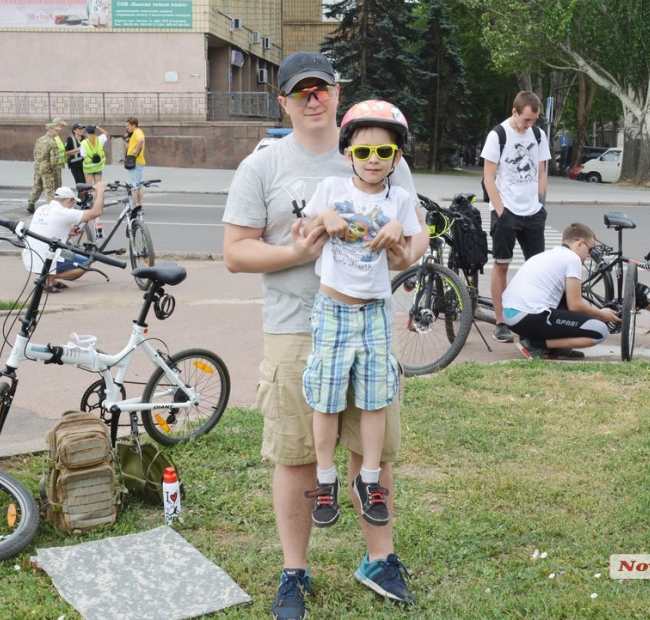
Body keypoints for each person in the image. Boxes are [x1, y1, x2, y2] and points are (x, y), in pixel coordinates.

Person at [222, 51, 428, 620]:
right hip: (294, 330)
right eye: (300, 91)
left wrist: (396, 248)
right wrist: (297, 249)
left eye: (322, 89)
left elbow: (414, 245)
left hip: (369, 323)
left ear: (337, 95)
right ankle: (295, 572)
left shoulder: (383, 152)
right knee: (294, 456)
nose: (313, 98)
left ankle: (378, 559)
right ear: (283, 101)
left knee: (374, 447)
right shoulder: (262, 166)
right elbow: (235, 253)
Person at [300, 100, 421, 533]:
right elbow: (302, 231)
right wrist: (325, 217)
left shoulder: (401, 199)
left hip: (374, 314)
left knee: (375, 399)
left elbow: (407, 254)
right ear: (348, 152)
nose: (373, 161)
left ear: (397, 157)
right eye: (364, 152)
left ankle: (369, 480)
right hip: (333, 309)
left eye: (384, 153)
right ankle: (326, 478)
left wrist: (396, 237)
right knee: (327, 397)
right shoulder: (332, 190)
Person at [481, 90, 552, 344]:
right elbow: (488, 178)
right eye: (526, 120)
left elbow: (542, 170)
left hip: (533, 213)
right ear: (514, 112)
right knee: (502, 265)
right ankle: (501, 322)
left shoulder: (538, 135)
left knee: (537, 269)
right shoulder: (497, 135)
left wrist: (541, 204)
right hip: (506, 211)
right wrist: (501, 212)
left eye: (533, 120)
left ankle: (533, 321)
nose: (529, 125)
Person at [502, 223, 619, 359]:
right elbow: (575, 305)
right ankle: (534, 344)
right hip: (529, 317)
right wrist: (601, 314)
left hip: (510, 316)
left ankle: (557, 349)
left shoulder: (548, 255)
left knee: (565, 301)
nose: (589, 256)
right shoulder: (572, 258)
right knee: (600, 331)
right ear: (580, 244)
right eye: (590, 249)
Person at [22, 183, 106, 292]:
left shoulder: (41, 209)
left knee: (65, 253)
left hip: (31, 258)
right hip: (48, 258)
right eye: (73, 202)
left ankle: (49, 277)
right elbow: (96, 212)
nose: (72, 205)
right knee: (86, 263)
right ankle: (49, 278)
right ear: (68, 200)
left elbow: (48, 229)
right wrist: (100, 191)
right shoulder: (63, 212)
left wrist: (69, 231)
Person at [27, 122, 61, 214]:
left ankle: (31, 203)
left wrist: (38, 162)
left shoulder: (39, 139)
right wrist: (55, 170)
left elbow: (34, 152)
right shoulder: (52, 142)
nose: (57, 132)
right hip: (47, 168)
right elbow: (54, 159)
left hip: (38, 166)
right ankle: (51, 207)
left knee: (37, 186)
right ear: (51, 130)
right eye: (56, 130)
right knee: (49, 188)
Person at [125, 117, 146, 208]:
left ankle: (136, 206)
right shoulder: (134, 133)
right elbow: (127, 148)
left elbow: (141, 140)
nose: (127, 127)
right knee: (139, 184)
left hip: (136, 162)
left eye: (128, 125)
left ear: (134, 125)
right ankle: (140, 205)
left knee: (134, 185)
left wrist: (135, 150)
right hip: (137, 161)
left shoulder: (138, 131)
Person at [51, 117, 67, 189]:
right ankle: (54, 198)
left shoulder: (56, 135)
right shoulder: (52, 135)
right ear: (57, 125)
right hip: (54, 164)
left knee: (58, 183)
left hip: (58, 163)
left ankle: (57, 198)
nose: (63, 127)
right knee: (55, 184)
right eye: (62, 125)